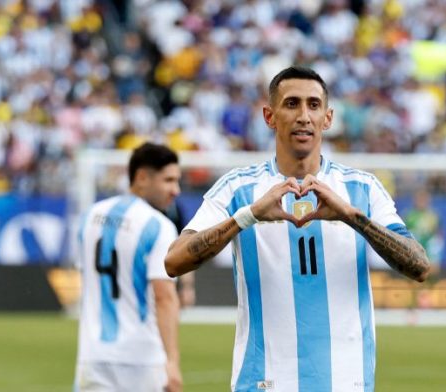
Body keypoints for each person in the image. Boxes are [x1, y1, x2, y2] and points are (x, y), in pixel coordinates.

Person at [165, 66, 430, 391]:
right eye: (291, 104)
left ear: (328, 118)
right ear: (269, 116)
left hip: (345, 382)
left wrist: (351, 217)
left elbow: (419, 265)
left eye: (313, 105)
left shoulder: (362, 188)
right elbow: (174, 261)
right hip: (262, 383)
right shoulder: (238, 189)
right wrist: (247, 216)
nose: (304, 115)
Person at [75, 142, 183, 392]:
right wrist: (172, 362)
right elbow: (165, 297)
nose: (176, 190)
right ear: (142, 177)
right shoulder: (159, 225)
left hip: (92, 355)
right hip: (141, 359)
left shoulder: (90, 216)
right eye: (168, 180)